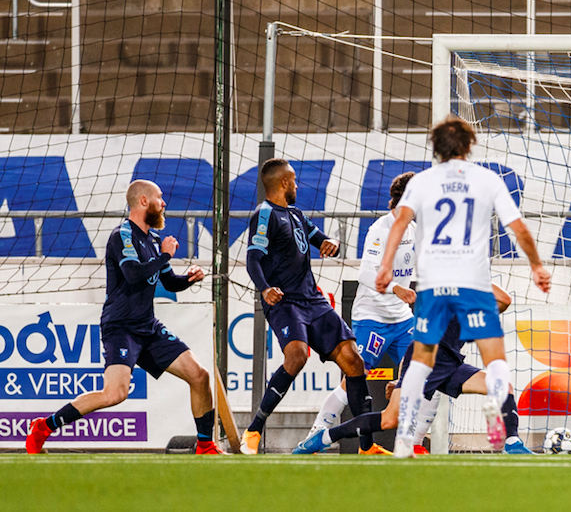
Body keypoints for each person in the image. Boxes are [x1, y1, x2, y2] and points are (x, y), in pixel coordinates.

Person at [375, 116, 552, 458]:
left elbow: (399, 223)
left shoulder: (423, 182)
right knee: (496, 362)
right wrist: (536, 266)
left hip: (433, 285)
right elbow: (519, 228)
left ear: (436, 148)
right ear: (470, 146)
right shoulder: (486, 179)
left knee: (421, 361)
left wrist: (385, 268)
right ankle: (508, 439)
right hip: (471, 283)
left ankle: (403, 441)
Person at [26, 180, 218, 454]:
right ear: (143, 201)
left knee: (199, 376)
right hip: (121, 327)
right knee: (115, 394)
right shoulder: (122, 235)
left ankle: (205, 445)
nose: (164, 203)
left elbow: (169, 282)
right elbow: (133, 274)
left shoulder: (152, 239)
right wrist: (166, 255)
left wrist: (188, 279)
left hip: (147, 327)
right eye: (159, 198)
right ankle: (44, 426)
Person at [293, 285, 535, 455]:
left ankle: (512, 442)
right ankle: (324, 438)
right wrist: (402, 379)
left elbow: (504, 301)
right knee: (390, 419)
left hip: (450, 363)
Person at [241, 158, 371, 455]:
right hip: (285, 301)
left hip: (313, 300)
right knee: (297, 355)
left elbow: (320, 239)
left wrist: (331, 243)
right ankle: (254, 429)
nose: (297, 185)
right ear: (284, 182)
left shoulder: (296, 214)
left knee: (354, 361)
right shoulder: (264, 214)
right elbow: (253, 259)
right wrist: (265, 289)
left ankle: (367, 446)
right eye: (295, 180)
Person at [302, 172, 417, 452]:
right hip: (373, 317)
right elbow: (366, 272)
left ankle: (414, 442)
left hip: (403, 319)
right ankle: (318, 431)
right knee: (355, 376)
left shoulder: (415, 228)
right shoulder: (381, 228)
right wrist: (396, 290)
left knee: (422, 375)